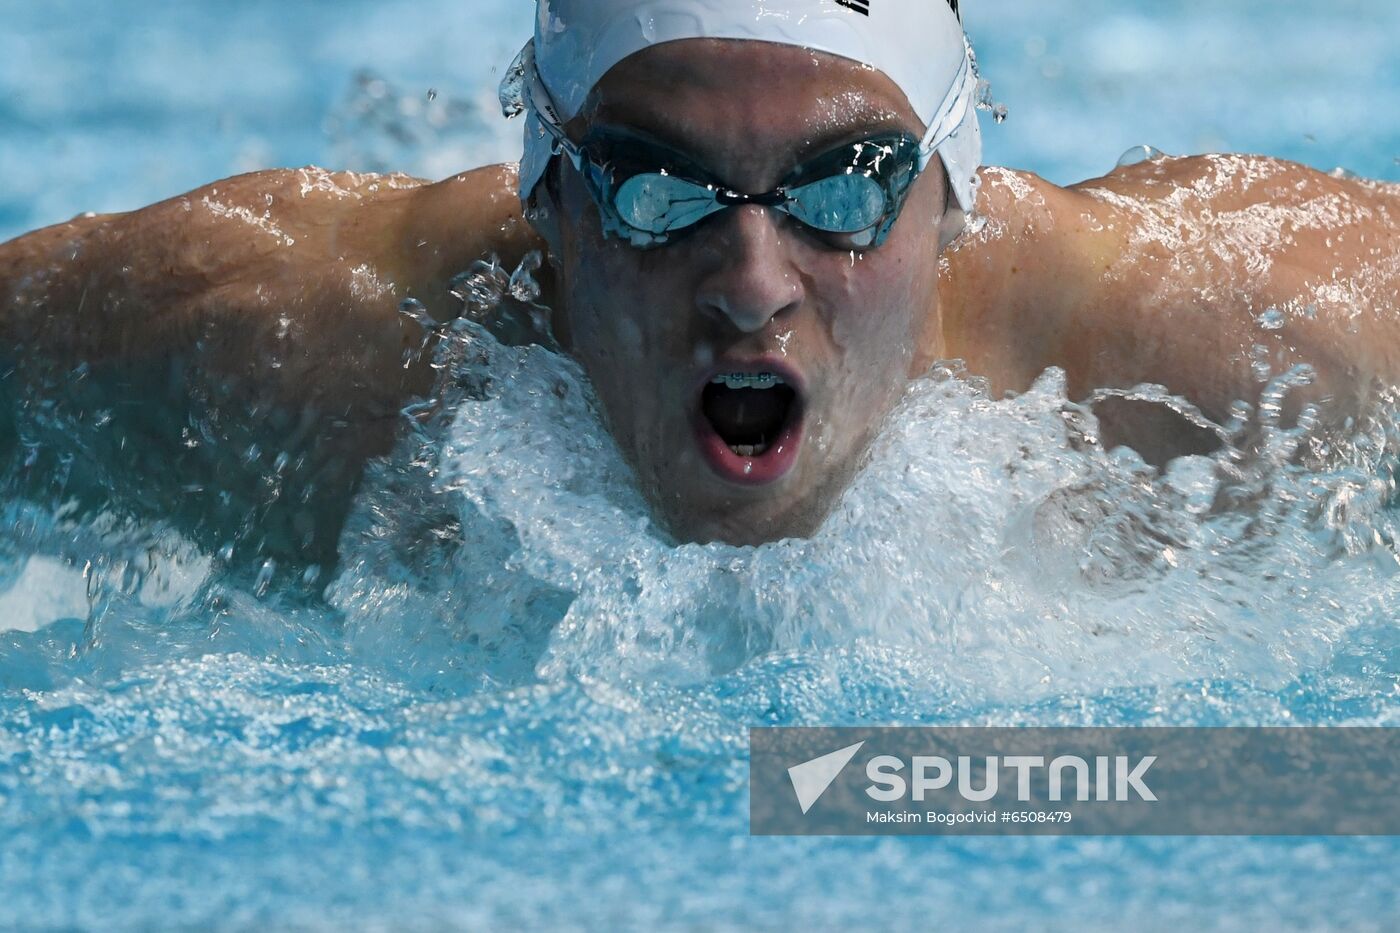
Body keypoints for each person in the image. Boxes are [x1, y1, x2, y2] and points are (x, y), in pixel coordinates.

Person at [1, 0, 1397, 561]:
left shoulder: (1211, 335)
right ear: (550, 198)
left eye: (843, 189)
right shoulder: (302, 345)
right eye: (658, 191)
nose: (749, 285)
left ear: (952, 199)